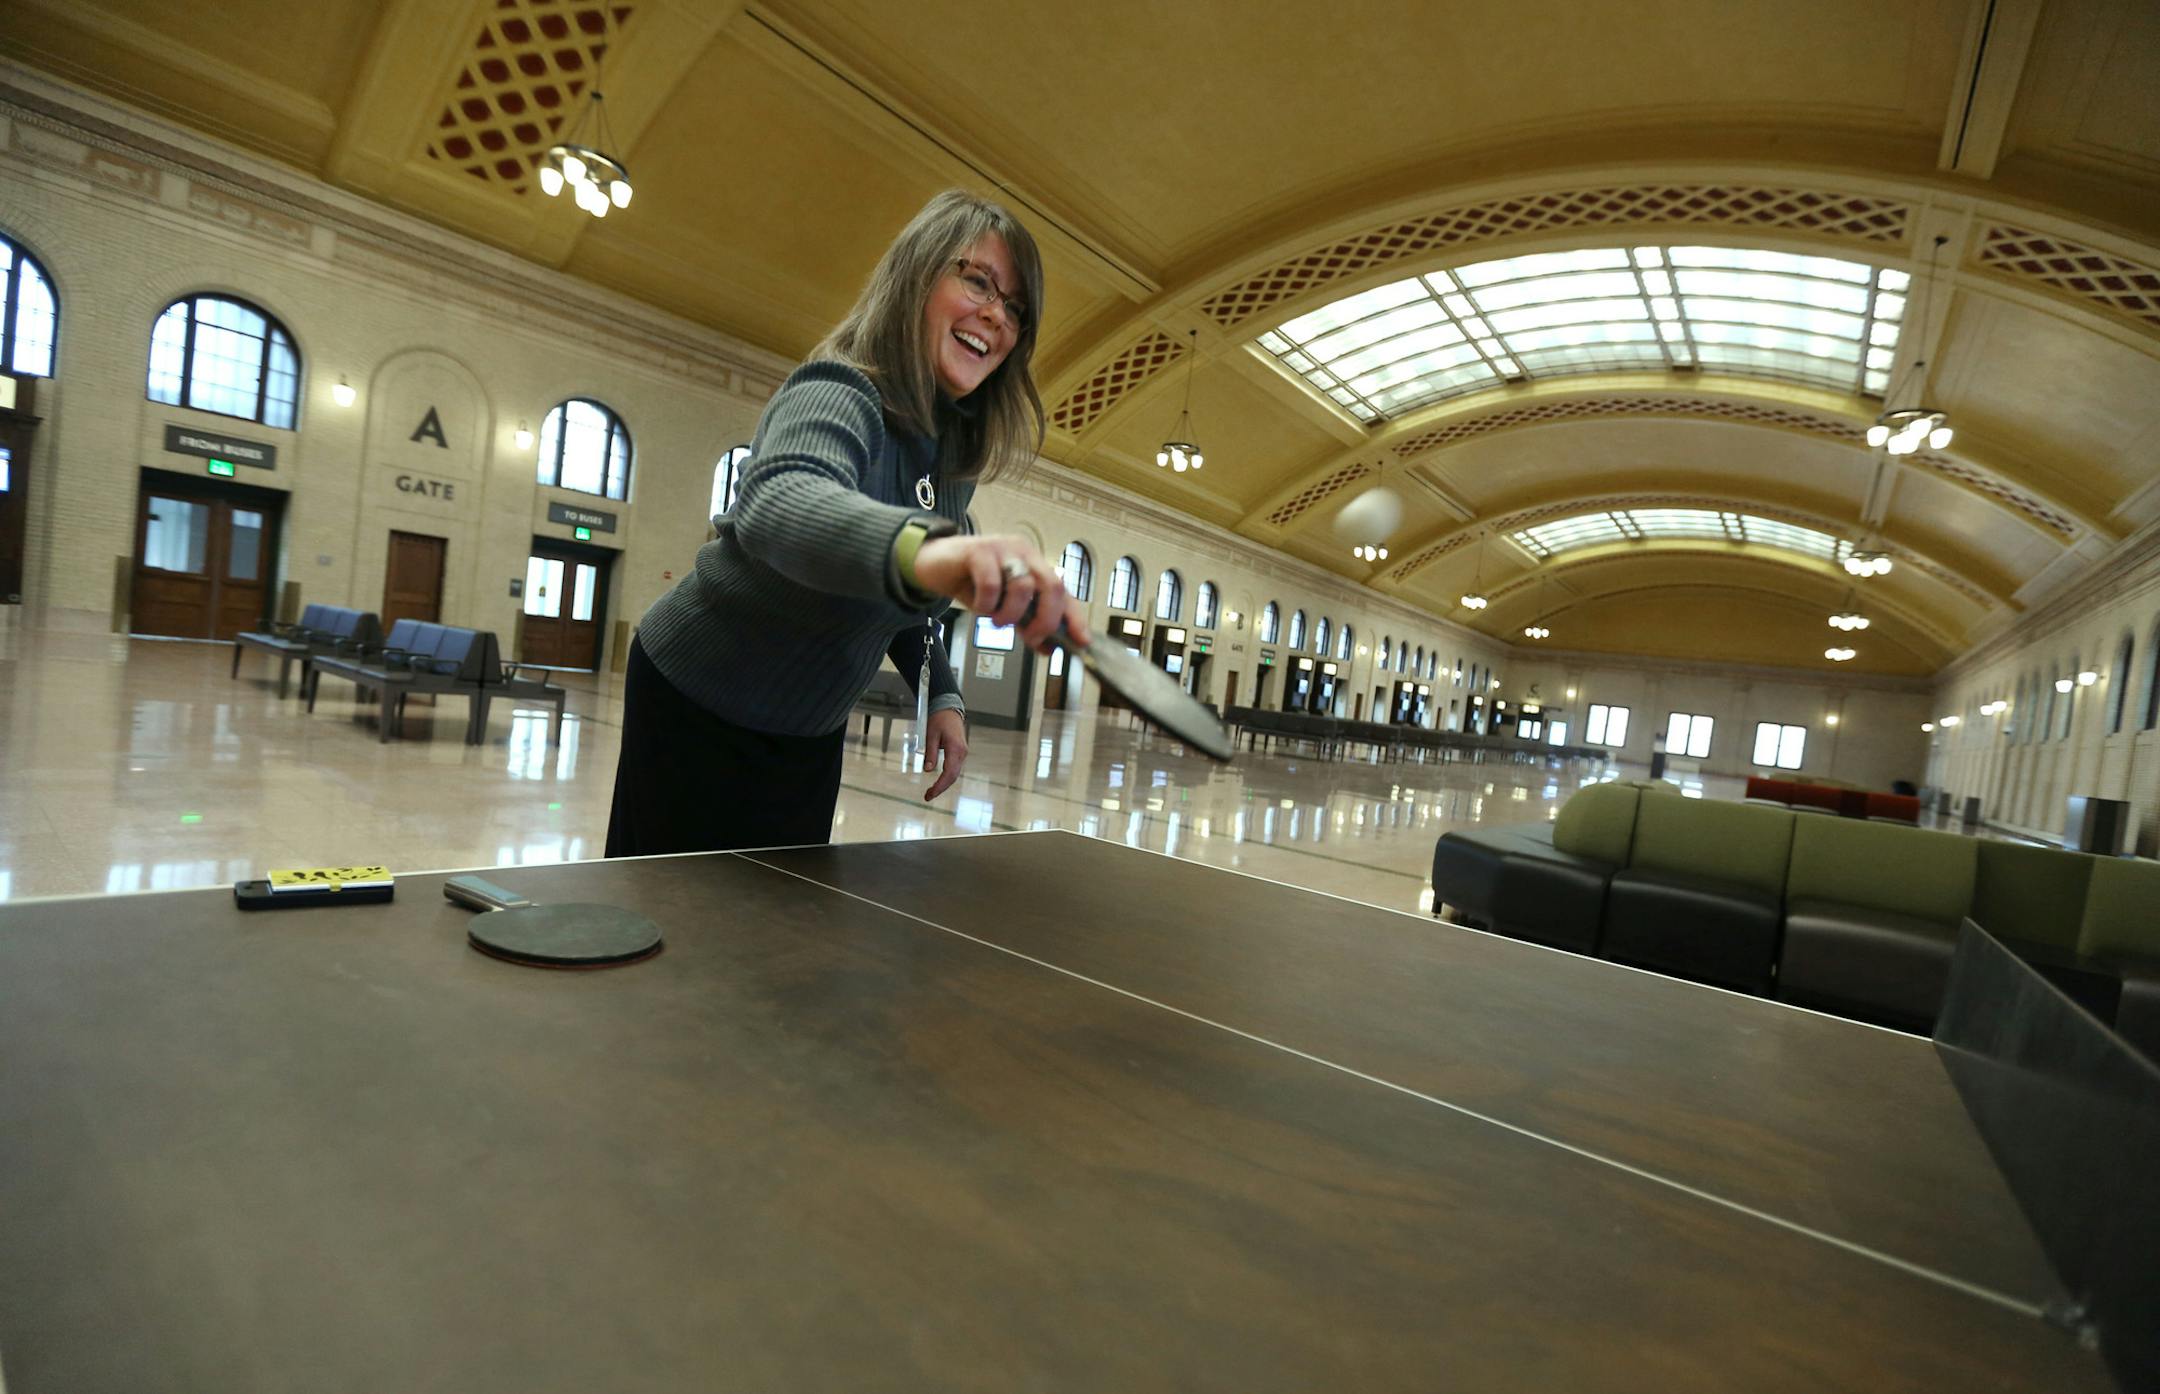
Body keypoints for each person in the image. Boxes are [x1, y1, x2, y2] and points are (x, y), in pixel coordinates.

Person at [606, 190, 1086, 857]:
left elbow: (905, 603)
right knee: (672, 921)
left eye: (1015, 308)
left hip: (809, 725)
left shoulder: (951, 465)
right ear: (918, 275)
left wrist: (942, 693)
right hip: (697, 697)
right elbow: (782, 504)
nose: (994, 316)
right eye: (976, 280)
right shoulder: (839, 389)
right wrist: (938, 554)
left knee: (779, 923)